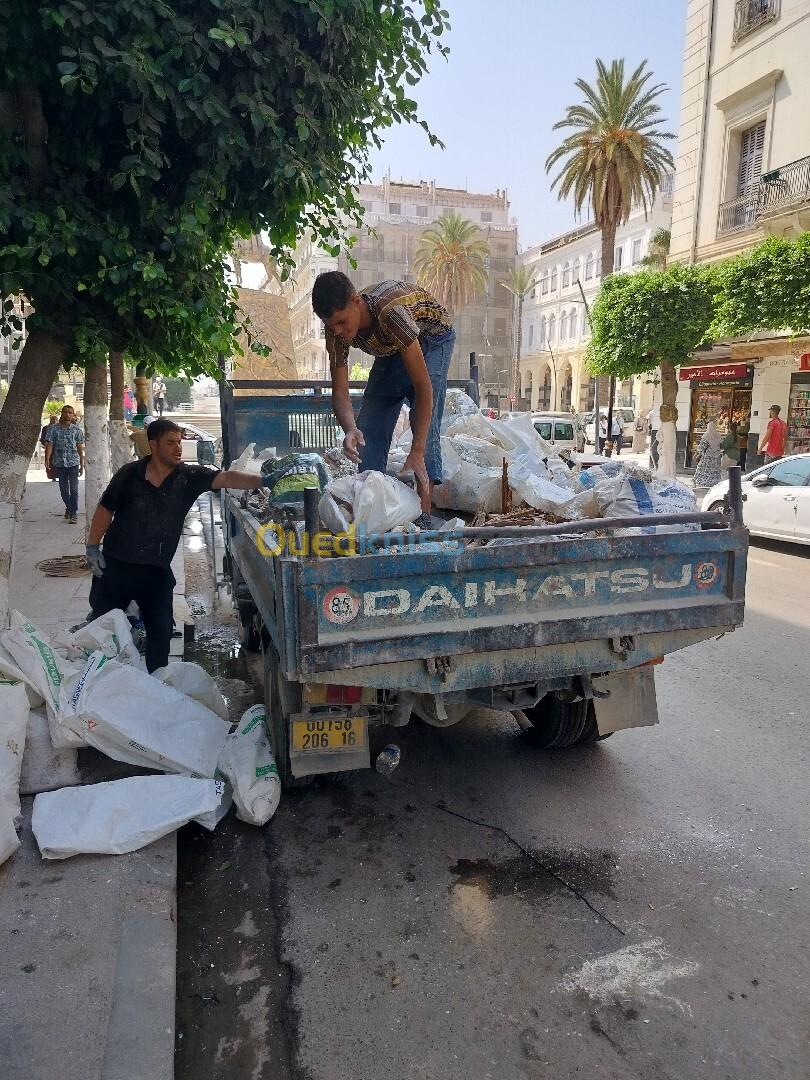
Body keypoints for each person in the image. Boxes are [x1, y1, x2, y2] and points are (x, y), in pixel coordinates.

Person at [85, 418, 266, 672]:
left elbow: (226, 478)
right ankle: (102, 682)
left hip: (155, 573)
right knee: (103, 629)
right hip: (116, 567)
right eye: (170, 443)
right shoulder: (129, 474)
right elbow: (105, 509)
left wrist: (263, 480)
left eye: (179, 442)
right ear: (153, 445)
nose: (178, 448)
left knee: (160, 633)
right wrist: (92, 547)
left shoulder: (189, 477)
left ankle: (156, 686)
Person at [311, 271, 456, 514]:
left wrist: (417, 449)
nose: (337, 331)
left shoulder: (391, 315)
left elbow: (423, 388)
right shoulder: (335, 331)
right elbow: (340, 393)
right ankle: (373, 509)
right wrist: (351, 429)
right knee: (368, 428)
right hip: (392, 346)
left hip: (433, 338)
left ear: (356, 302)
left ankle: (423, 518)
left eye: (342, 322)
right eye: (331, 325)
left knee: (424, 426)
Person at [44, 405, 85, 523]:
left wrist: (82, 465)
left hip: (73, 463)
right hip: (59, 463)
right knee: (63, 490)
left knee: (74, 489)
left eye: (70, 412)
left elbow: (79, 447)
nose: (67, 414)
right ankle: (70, 507)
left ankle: (73, 513)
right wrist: (47, 459)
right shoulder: (53, 429)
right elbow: (50, 444)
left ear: (73, 415)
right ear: (61, 413)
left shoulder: (77, 430)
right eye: (65, 412)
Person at [693, 420, 723, 487]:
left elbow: (701, 447)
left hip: (707, 458)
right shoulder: (718, 435)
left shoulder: (706, 435)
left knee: (704, 469)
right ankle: (713, 482)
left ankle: (702, 481)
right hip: (717, 456)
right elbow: (721, 444)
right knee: (714, 470)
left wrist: (697, 454)